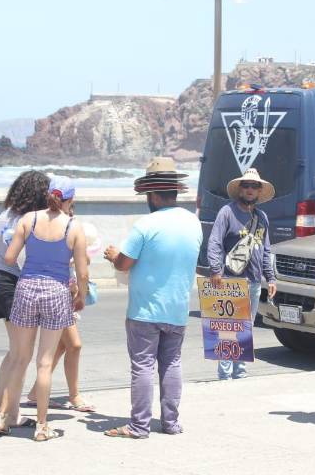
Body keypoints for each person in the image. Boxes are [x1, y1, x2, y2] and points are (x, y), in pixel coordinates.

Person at [102, 157, 202, 439]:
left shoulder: (145, 225)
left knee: (143, 365)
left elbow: (124, 264)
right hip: (178, 309)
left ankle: (139, 425)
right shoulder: (193, 223)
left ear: (154, 194)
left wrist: (112, 256)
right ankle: (170, 423)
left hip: (145, 311)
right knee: (172, 364)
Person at [0, 176, 88, 442]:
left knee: (19, 357)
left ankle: (3, 416)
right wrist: (81, 296)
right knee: (44, 363)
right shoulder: (73, 227)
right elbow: (82, 271)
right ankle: (42, 426)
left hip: (26, 288)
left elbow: (10, 257)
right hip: (56, 292)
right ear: (70, 200)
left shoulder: (29, 219)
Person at [0, 170, 50, 416]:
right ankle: (9, 412)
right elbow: (24, 259)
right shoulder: (26, 221)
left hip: (1, 279)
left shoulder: (5, 215)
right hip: (15, 283)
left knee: (15, 351)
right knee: (23, 354)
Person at [207, 168, 278, 380]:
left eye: (254, 186)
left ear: (259, 191)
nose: (250, 189)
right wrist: (215, 270)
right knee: (228, 329)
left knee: (245, 329)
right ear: (240, 189)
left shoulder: (261, 217)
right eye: (246, 185)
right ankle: (225, 376)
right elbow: (215, 242)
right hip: (230, 279)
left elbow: (266, 249)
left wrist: (271, 277)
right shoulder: (227, 212)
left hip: (254, 281)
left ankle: (240, 372)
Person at [25, 209, 98, 412]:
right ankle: (74, 396)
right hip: (56, 294)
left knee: (61, 346)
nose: (72, 210)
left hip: (62, 294)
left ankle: (34, 392)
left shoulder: (68, 227)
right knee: (73, 345)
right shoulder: (52, 227)